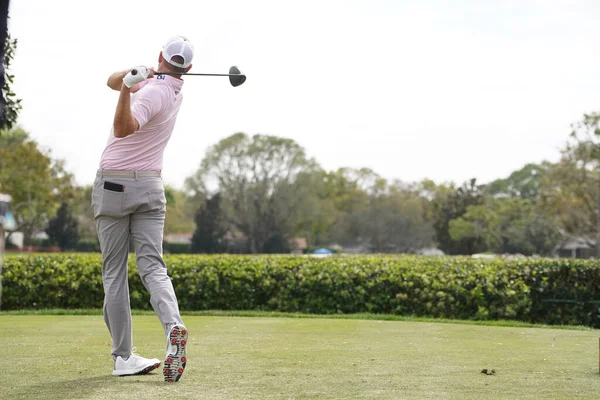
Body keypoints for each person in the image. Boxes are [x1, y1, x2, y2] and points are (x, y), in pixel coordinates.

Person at [92, 36, 193, 382]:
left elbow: (123, 128)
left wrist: (128, 89)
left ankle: (123, 357)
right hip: (151, 186)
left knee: (114, 273)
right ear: (188, 68)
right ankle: (173, 327)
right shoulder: (172, 88)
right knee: (153, 267)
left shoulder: (152, 92)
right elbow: (111, 79)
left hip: (115, 185)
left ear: (161, 55)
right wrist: (134, 74)